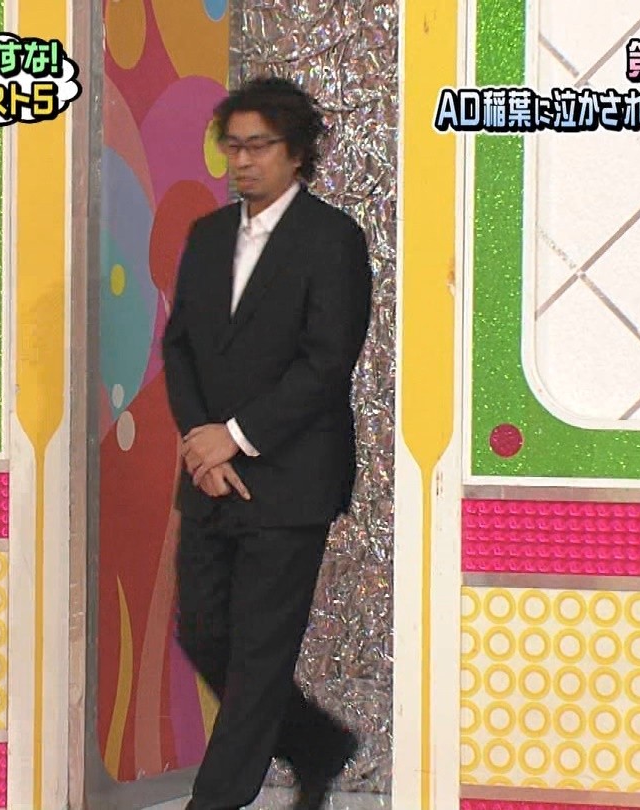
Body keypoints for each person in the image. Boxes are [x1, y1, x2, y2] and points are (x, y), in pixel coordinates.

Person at [163, 76, 372, 810]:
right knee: (203, 633)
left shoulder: (333, 238)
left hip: (290, 478)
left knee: (259, 652)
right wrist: (202, 445)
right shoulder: (208, 235)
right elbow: (180, 346)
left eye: (258, 146)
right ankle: (316, 744)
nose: (243, 161)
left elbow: (326, 362)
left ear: (297, 152)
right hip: (209, 475)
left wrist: (235, 438)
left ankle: (216, 800)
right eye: (233, 146)